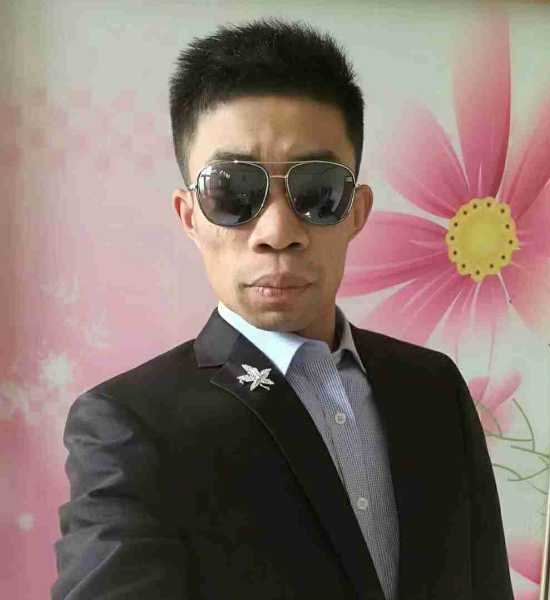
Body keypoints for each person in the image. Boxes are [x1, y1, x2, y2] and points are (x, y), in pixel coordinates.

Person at [52, 19, 514, 600]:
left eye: (318, 191)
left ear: (356, 212)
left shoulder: (434, 388)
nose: (277, 231)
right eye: (232, 191)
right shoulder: (129, 426)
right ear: (190, 216)